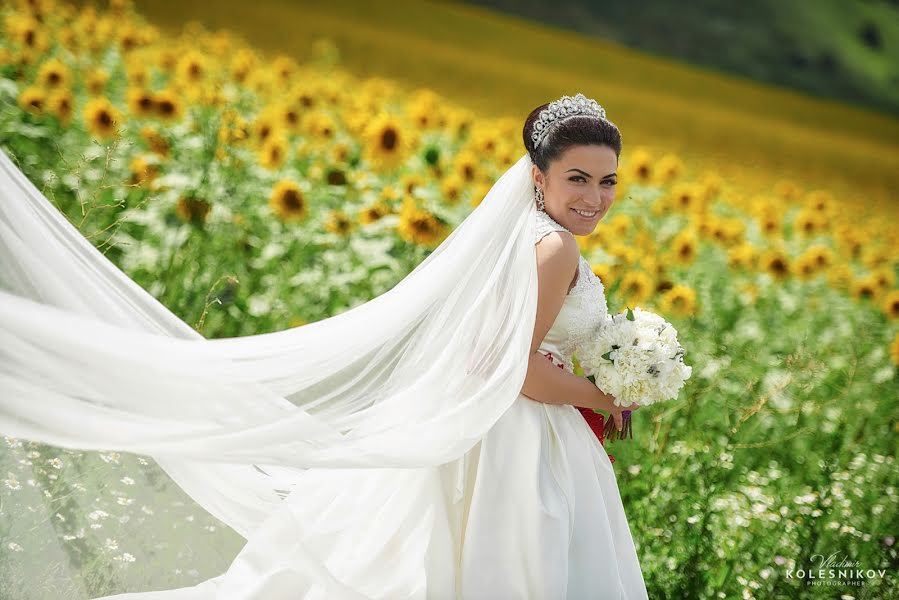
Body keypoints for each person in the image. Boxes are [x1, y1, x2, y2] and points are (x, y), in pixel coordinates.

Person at [0, 92, 648, 599]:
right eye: (577, 179)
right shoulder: (553, 246)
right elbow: (512, 369)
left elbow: (493, 352)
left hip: (487, 431)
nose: (595, 198)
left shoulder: (526, 234)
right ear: (538, 176)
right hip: (517, 442)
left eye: (607, 182)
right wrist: (605, 393)